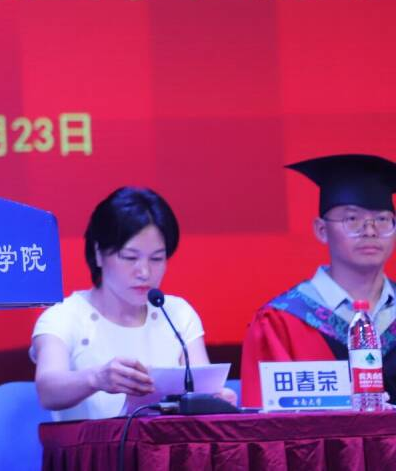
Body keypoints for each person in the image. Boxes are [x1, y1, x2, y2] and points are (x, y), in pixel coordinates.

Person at [31, 187, 228, 420]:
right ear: (98, 253)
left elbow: (202, 387)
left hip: (168, 442)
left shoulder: (177, 314)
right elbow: (47, 390)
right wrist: (96, 378)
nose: (144, 272)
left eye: (157, 258)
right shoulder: (63, 316)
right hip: (92, 444)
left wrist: (216, 400)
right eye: (130, 257)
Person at [240, 154, 396, 408]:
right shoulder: (281, 321)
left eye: (382, 220)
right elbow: (267, 423)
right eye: (352, 219)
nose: (370, 231)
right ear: (321, 230)